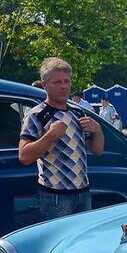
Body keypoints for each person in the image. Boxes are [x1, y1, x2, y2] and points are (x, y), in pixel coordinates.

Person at [19, 58, 104, 220]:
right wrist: (51, 135)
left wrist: (98, 130)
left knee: (82, 242)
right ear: (45, 85)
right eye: (57, 82)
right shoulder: (37, 115)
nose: (64, 86)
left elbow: (97, 150)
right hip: (55, 196)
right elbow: (24, 156)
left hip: (83, 192)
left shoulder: (78, 113)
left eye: (67, 81)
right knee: (58, 243)